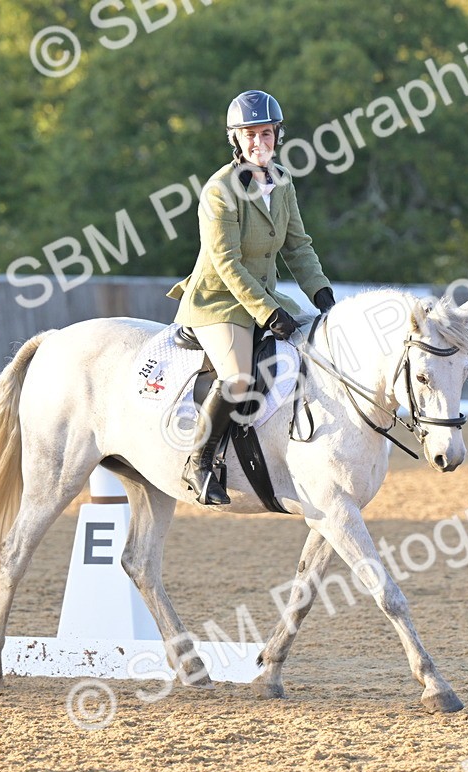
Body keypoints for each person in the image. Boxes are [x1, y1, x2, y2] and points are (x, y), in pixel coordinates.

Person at [166, 89, 336, 505]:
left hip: (265, 295)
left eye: (266, 134)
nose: (259, 143)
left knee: (314, 345)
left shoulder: (282, 181)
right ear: (236, 141)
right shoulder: (219, 190)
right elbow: (226, 262)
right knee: (238, 376)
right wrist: (268, 311)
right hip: (219, 301)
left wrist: (322, 294)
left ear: (277, 135)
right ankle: (200, 460)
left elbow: (298, 246)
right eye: (250, 135)